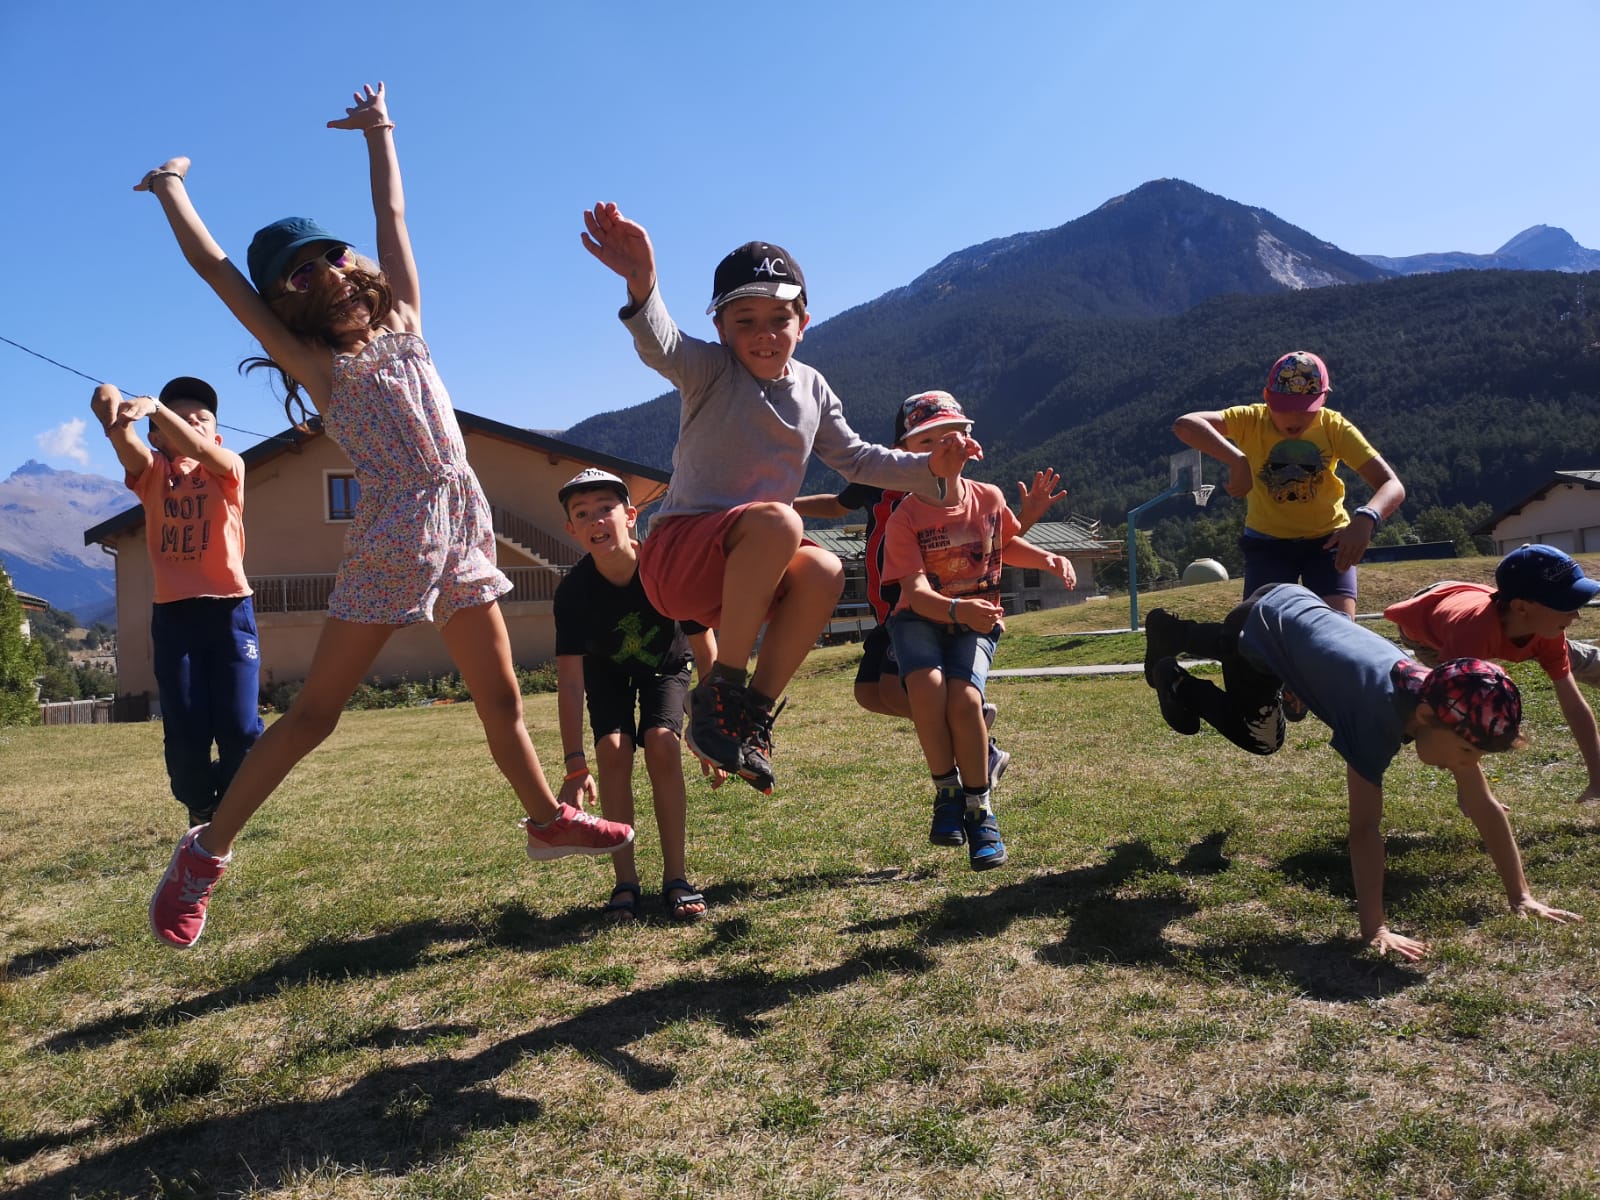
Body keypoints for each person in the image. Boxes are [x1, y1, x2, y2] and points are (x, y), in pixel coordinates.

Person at [139, 83, 633, 950]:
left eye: (329, 256)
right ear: (287, 304)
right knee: (315, 714)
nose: (325, 272)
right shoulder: (313, 362)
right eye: (300, 274)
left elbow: (393, 211)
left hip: (463, 520)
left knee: (503, 697)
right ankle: (203, 853)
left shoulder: (406, 318)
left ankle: (545, 820)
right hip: (395, 533)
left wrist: (381, 131)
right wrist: (173, 190)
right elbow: (217, 272)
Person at [581, 204, 977, 794]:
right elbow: (661, 345)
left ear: (804, 321)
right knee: (781, 520)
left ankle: (748, 718)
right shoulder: (710, 370)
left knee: (821, 567)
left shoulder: (811, 387)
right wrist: (642, 283)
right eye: (746, 321)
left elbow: (860, 459)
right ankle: (722, 691)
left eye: (778, 319)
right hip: (678, 557)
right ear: (720, 327)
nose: (764, 335)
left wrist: (929, 468)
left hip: (742, 570)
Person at [1143, 584, 1580, 960]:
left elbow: (1483, 804)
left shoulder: (1440, 696)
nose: (1469, 764)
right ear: (1426, 716)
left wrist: (1520, 896)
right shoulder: (1376, 718)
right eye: (1468, 751)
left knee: (1289, 695)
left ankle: (1179, 635)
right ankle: (1176, 678)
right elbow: (1365, 830)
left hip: (1296, 604)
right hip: (1260, 624)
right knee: (1263, 737)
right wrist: (1375, 929)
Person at [795, 420, 1068, 786]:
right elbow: (837, 506)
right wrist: (787, 504)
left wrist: (1032, 521)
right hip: (885, 606)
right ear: (899, 448)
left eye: (946, 440)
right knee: (869, 694)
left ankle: (973, 741)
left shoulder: (953, 495)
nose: (938, 448)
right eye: (925, 441)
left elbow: (990, 541)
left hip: (915, 607)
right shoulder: (876, 476)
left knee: (895, 690)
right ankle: (972, 729)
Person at [879, 392, 1076, 870]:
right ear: (908, 455)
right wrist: (956, 609)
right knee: (925, 689)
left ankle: (979, 809)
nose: (945, 446)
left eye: (953, 435)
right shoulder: (904, 518)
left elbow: (1006, 541)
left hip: (977, 619)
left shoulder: (987, 496)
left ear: (969, 441)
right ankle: (947, 790)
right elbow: (917, 593)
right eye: (929, 442)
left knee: (965, 700)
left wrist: (1047, 558)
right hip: (920, 617)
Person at [90, 376, 264, 828]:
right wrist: (111, 417)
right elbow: (124, 441)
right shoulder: (152, 475)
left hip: (230, 611)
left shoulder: (228, 467)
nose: (193, 423)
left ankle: (230, 810)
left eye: (201, 419)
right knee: (186, 735)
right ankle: (199, 805)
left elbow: (204, 452)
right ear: (157, 439)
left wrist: (155, 408)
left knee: (242, 730)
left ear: (217, 433)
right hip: (175, 617)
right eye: (180, 419)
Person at [554, 468, 719, 922]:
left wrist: (711, 723)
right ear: (572, 530)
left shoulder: (663, 569)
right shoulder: (572, 592)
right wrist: (574, 762)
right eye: (581, 514)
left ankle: (677, 877)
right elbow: (570, 681)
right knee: (612, 749)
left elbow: (705, 645)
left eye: (605, 509)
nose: (594, 520)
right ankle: (625, 882)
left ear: (630, 516)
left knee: (663, 744)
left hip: (666, 665)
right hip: (606, 674)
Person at [1173, 351, 1405, 620]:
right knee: (1260, 634)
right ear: (1266, 397)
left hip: (1328, 542)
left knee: (1338, 632)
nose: (1293, 419)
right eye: (1283, 407)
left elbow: (1391, 484)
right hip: (1267, 546)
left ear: (1323, 399)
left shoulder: (1334, 427)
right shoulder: (1251, 420)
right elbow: (1186, 425)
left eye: (1305, 409)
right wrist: (1237, 459)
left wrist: (1367, 518)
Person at [1385, 544, 1600, 803]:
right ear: (1522, 607)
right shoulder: (1471, 635)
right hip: (1429, 624)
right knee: (1452, 705)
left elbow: (1574, 706)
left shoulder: (1545, 626)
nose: (1576, 615)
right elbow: (1456, 722)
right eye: (1566, 605)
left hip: (1475, 599)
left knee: (1569, 654)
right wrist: (1473, 797)